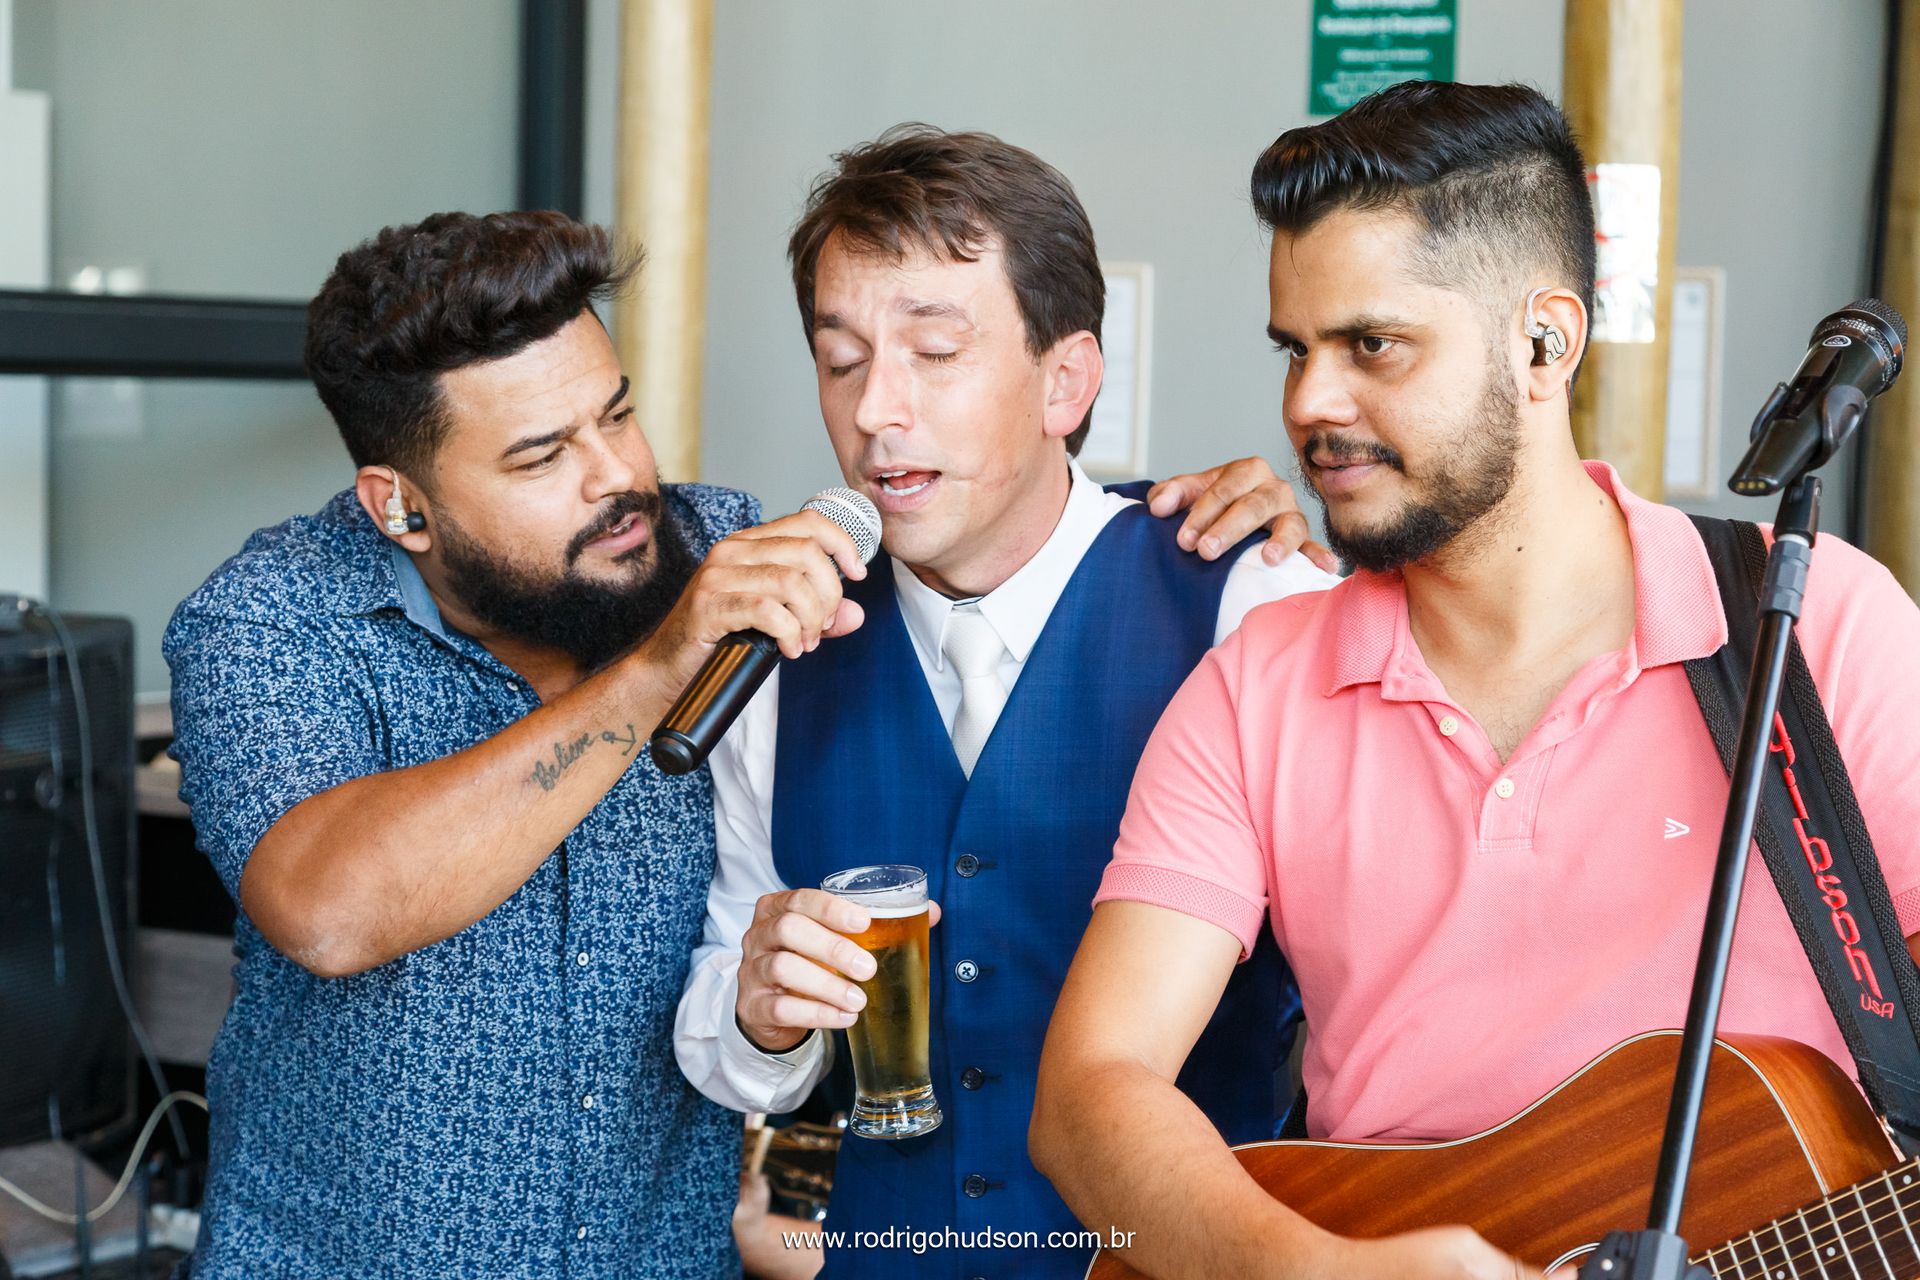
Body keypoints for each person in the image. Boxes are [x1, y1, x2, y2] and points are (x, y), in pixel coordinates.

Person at [164, 208, 1304, 1279]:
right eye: (541, 456)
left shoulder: (723, 551)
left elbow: (986, 525)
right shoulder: (269, 622)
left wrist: (1177, 524)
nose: (619, 477)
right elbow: (329, 912)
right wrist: (658, 667)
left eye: (616, 413)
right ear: (399, 505)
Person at [1029, 80, 1920, 1280]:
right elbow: (1091, 1088)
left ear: (1544, 341)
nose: (1309, 403)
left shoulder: (1822, 628)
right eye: (1295, 349)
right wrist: (1318, 1271)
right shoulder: (1256, 690)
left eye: (1372, 344)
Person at [673, 125, 1339, 1279]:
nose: (875, 410)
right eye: (841, 360)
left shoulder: (1249, 599)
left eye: (934, 351)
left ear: (1066, 380)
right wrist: (758, 1011)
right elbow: (731, 1051)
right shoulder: (777, 651)